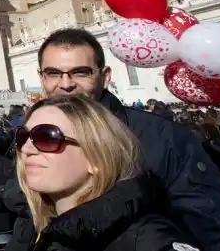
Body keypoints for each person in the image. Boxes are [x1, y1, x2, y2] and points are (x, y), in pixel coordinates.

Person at [4, 28, 220, 250]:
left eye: (80, 72)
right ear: (41, 77)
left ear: (105, 76)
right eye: (53, 73)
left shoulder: (163, 138)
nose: (65, 84)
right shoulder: (31, 135)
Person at [17, 95, 197, 250]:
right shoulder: (33, 231)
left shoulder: (149, 239)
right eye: (22, 137)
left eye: (46, 137)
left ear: (96, 157)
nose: (26, 149)